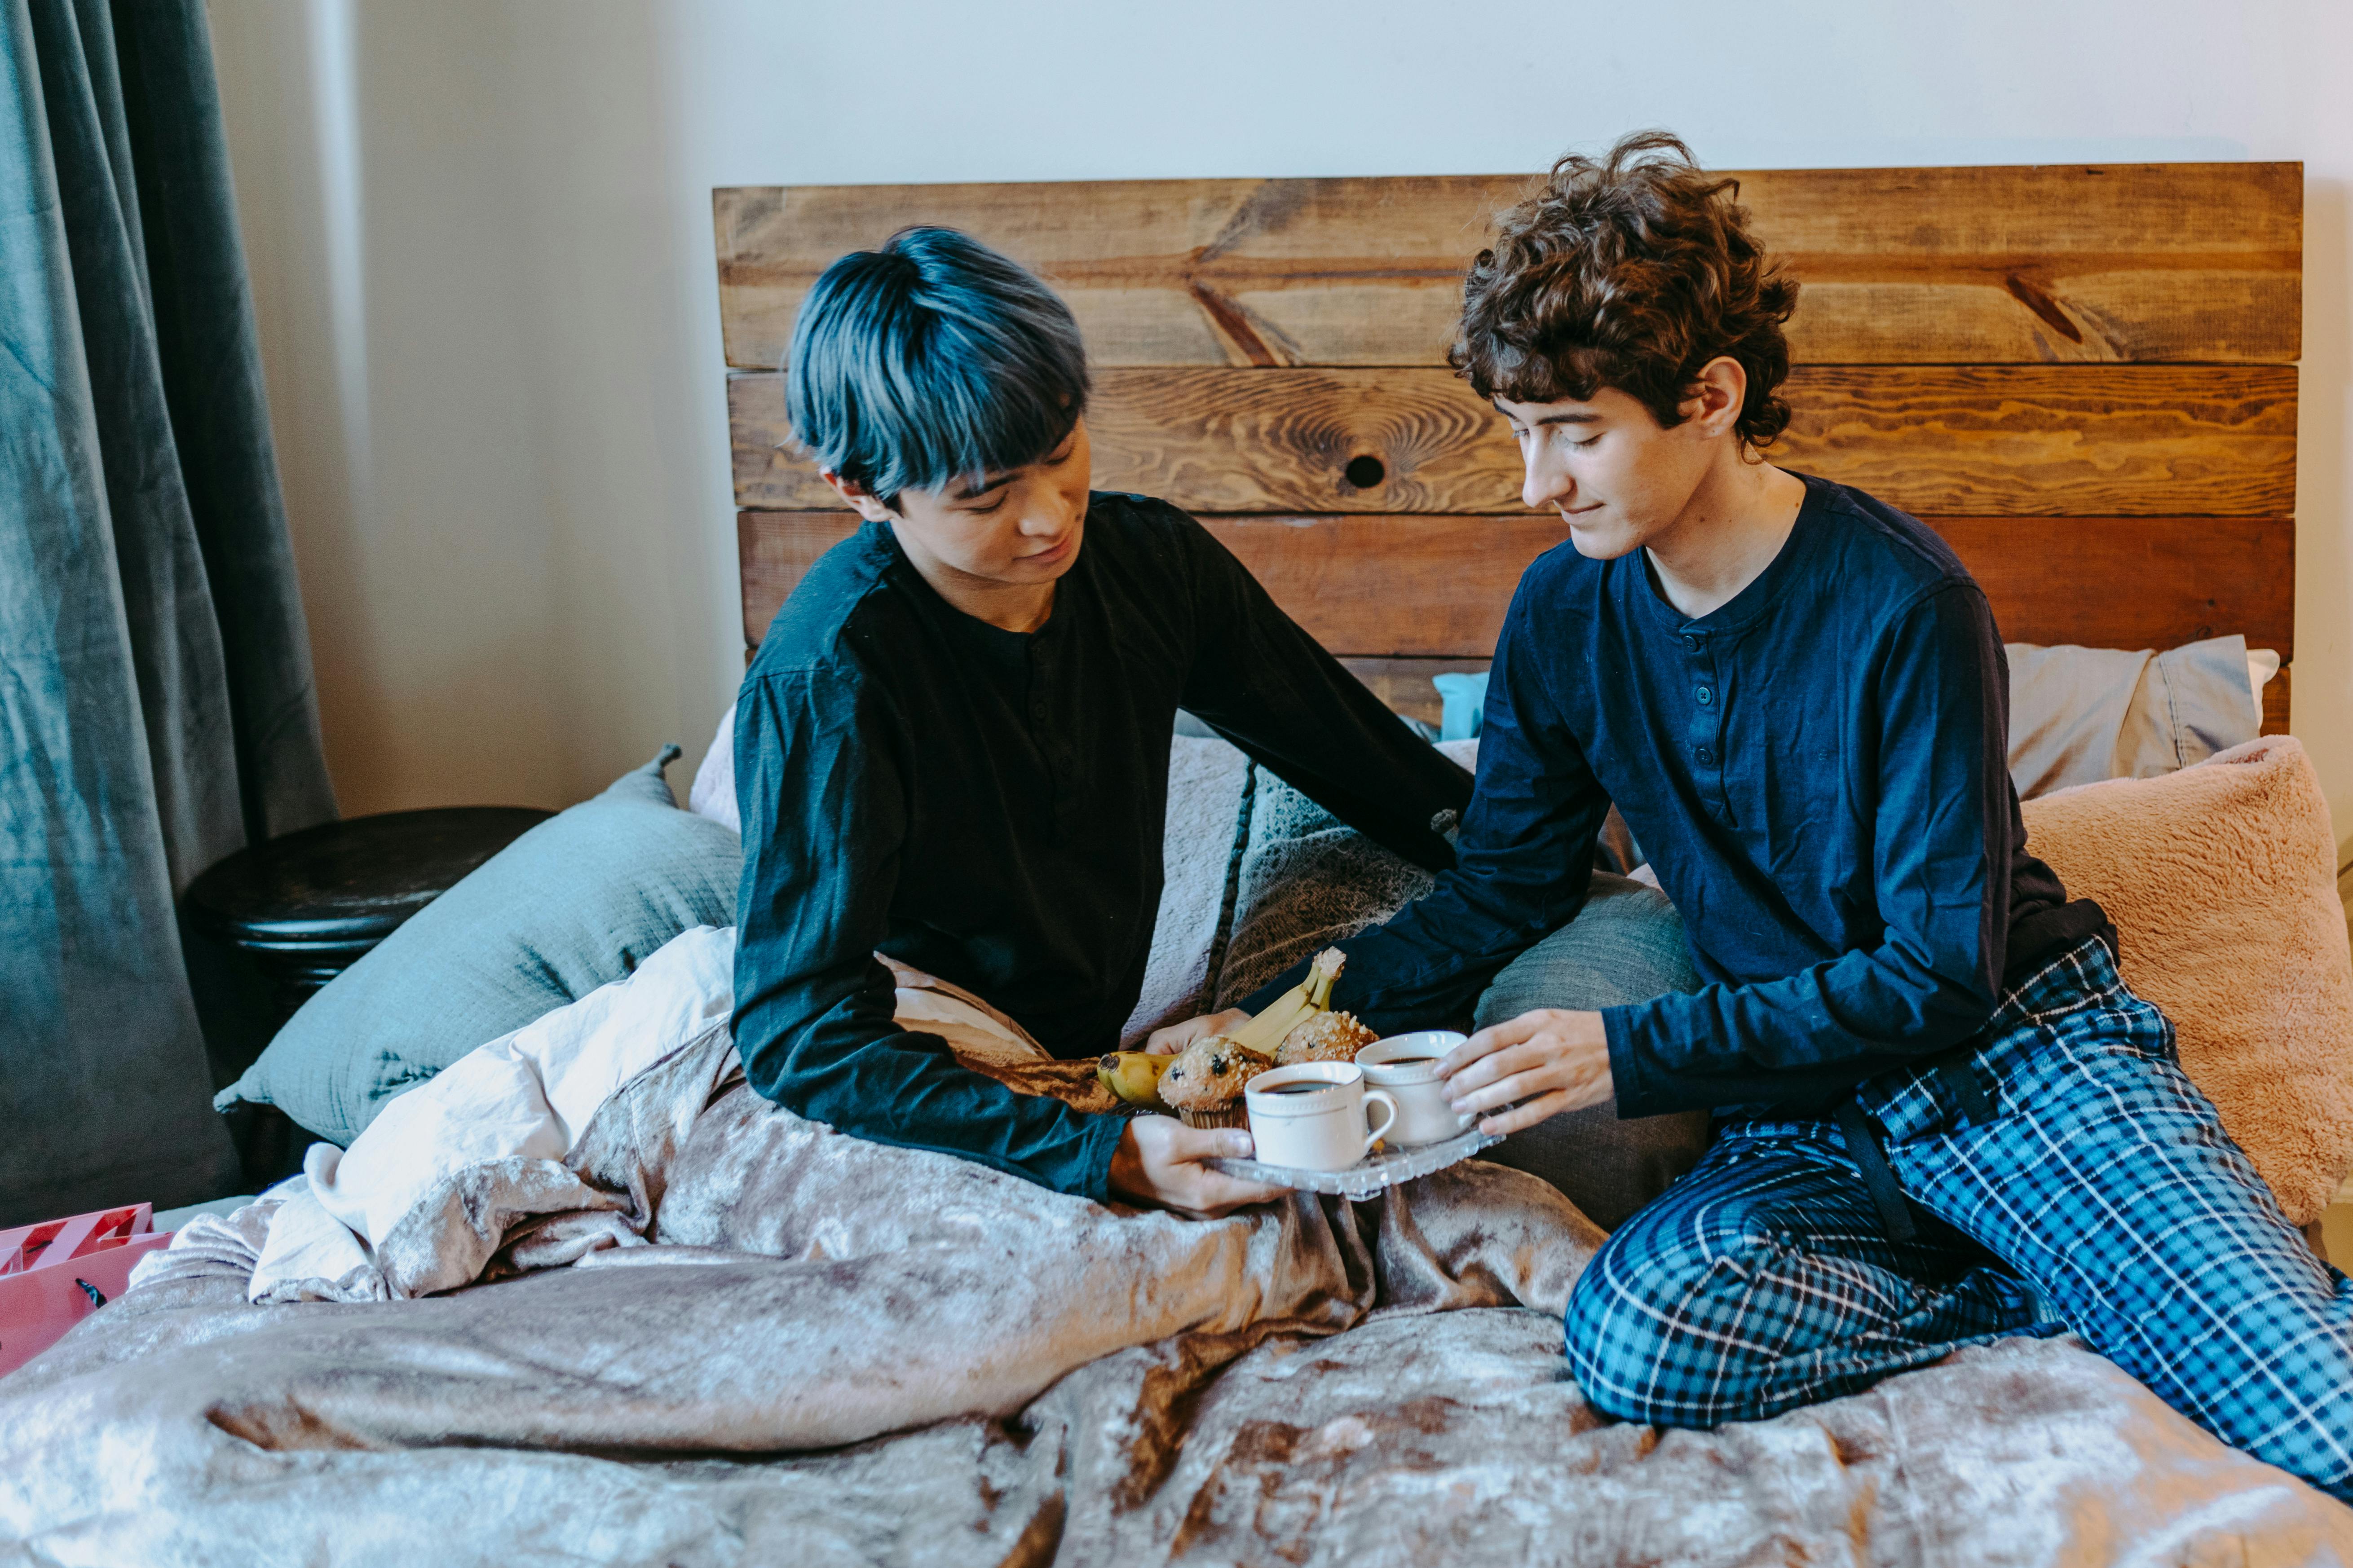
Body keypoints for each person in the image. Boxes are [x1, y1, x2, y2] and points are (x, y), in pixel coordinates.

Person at [1217, 131, 2353, 1497]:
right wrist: (1279, 1013)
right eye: (1523, 433)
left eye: (1576, 435)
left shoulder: (1905, 604)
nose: (1537, 483)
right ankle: (2072, 1294)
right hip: (1804, 1122)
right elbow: (1500, 891)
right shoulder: (1562, 616)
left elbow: (1941, 972)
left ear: (1709, 394)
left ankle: (2157, 1287)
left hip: (2013, 1065)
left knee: (2319, 1424)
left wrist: (1629, 1051)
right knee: (1638, 1339)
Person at [730, 225, 1479, 1218]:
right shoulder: (830, 679)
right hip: (904, 1059)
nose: (1048, 518)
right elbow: (800, 1030)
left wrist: (1537, 857)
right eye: (985, 496)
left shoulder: (1151, 569)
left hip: (1089, 1060)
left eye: (1059, 454)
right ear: (861, 491)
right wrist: (1099, 1156)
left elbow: (1371, 770)